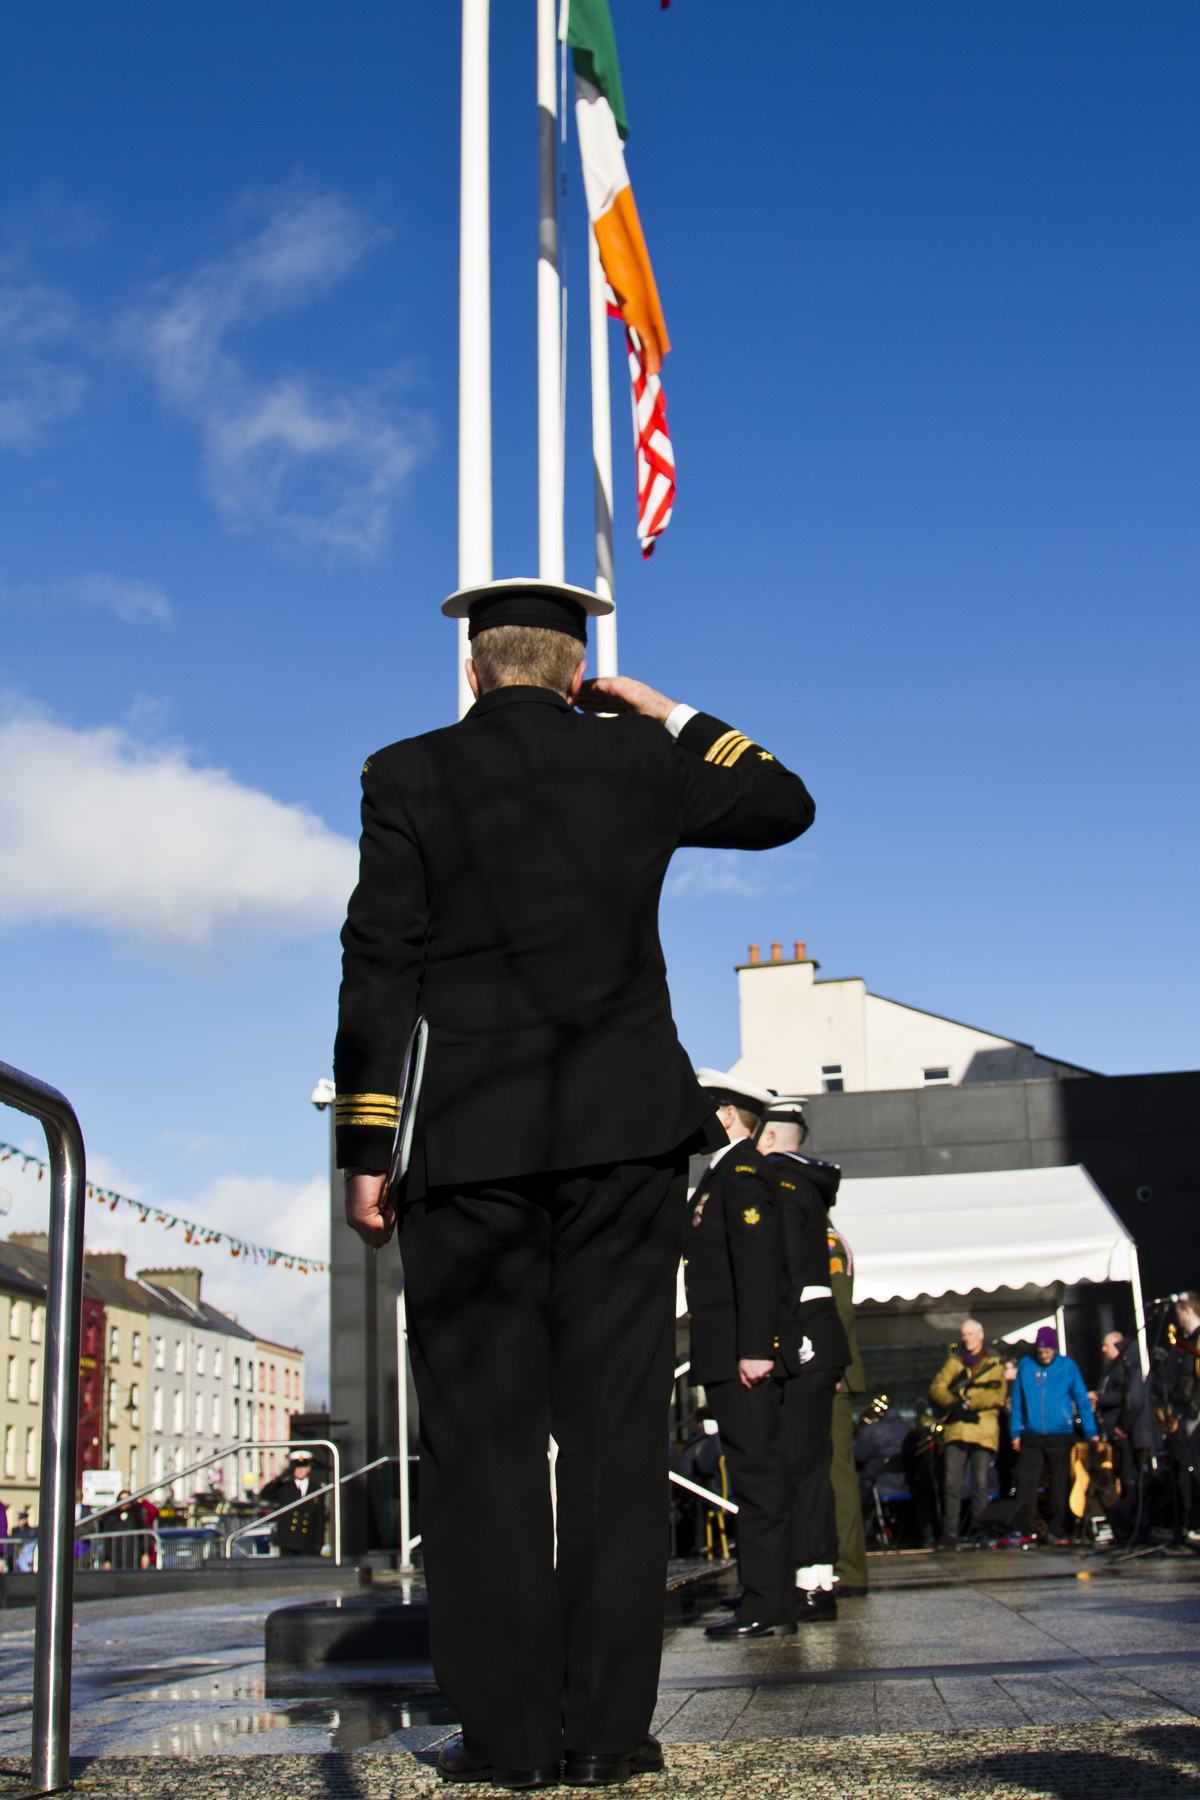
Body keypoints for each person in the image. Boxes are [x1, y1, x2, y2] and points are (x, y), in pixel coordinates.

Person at [335, 579, 815, 1791]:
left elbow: (379, 961)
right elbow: (783, 803)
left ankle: (507, 1739)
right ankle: (607, 1731)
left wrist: (366, 1146)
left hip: (472, 1142)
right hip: (624, 1136)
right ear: (574, 672)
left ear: (472, 672)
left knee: (482, 1441)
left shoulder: (406, 774)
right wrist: (670, 713)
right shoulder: (640, 761)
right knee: (611, 1432)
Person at [684, 1071, 795, 1640]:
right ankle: (763, 1592)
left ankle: (768, 1603)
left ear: (727, 1114)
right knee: (751, 1475)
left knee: (759, 1478)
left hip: (740, 1353)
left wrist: (755, 1349)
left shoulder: (743, 1171)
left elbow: (757, 1266)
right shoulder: (722, 1172)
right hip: (726, 1348)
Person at [757, 1095, 849, 1620]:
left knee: (801, 1468)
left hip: (803, 1342)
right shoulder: (807, 1185)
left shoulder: (784, 1184)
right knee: (808, 1466)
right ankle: (812, 1577)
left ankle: (812, 1582)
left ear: (769, 1138)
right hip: (815, 1340)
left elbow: (787, 1270)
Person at [1010, 1326, 1099, 1544]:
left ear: (1055, 1349)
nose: (1044, 1356)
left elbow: (1082, 1400)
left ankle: (1057, 1527)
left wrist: (1091, 1432)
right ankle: (1027, 1528)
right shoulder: (1026, 1365)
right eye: (1041, 1352)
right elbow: (1018, 1401)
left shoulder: (1067, 1366)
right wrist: (1015, 1432)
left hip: (1060, 1433)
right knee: (1026, 1482)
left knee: (1059, 1483)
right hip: (1032, 1433)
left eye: (1048, 1351)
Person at [929, 1321, 1006, 1548]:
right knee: (951, 1483)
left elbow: (997, 1394)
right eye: (964, 1334)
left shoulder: (993, 1361)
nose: (966, 1338)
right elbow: (937, 1387)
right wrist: (953, 1403)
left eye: (971, 1334)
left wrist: (971, 1403)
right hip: (958, 1428)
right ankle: (950, 1534)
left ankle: (981, 1530)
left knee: (979, 1483)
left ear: (981, 1336)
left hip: (982, 1427)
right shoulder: (956, 1361)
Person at [1089, 1331, 1153, 1495]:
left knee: (1129, 1474)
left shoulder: (1125, 1368)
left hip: (1124, 1429)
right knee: (1120, 1473)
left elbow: (1125, 1396)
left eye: (1106, 1345)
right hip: (1112, 1429)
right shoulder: (1110, 1368)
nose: (1103, 1349)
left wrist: (1100, 1398)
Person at [1167, 1294, 1200, 1539]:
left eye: (1178, 1312)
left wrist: (1193, 1407)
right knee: (1193, 1469)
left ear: (1188, 1310)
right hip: (1187, 1411)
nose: (1176, 1318)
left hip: (1195, 1411)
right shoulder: (1185, 1342)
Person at [259, 1451, 326, 1557]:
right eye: (297, 1467)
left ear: (308, 1469)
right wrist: (281, 1477)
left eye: (303, 1467)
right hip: (288, 1541)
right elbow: (264, 1494)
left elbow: (320, 1518)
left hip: (308, 1541)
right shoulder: (284, 1486)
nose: (300, 1470)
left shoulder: (316, 1488)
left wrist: (320, 1542)